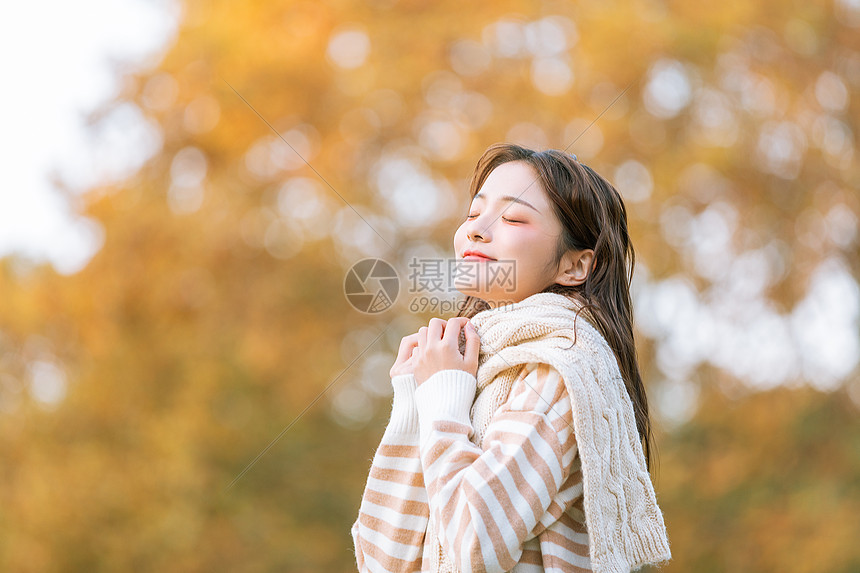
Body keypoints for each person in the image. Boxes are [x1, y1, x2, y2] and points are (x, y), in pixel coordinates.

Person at [351, 143, 671, 573]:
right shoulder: (470, 363)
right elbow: (381, 561)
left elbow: (472, 546)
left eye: (513, 217)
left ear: (575, 267)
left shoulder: (560, 372)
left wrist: (444, 400)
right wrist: (414, 401)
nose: (477, 231)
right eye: (472, 214)